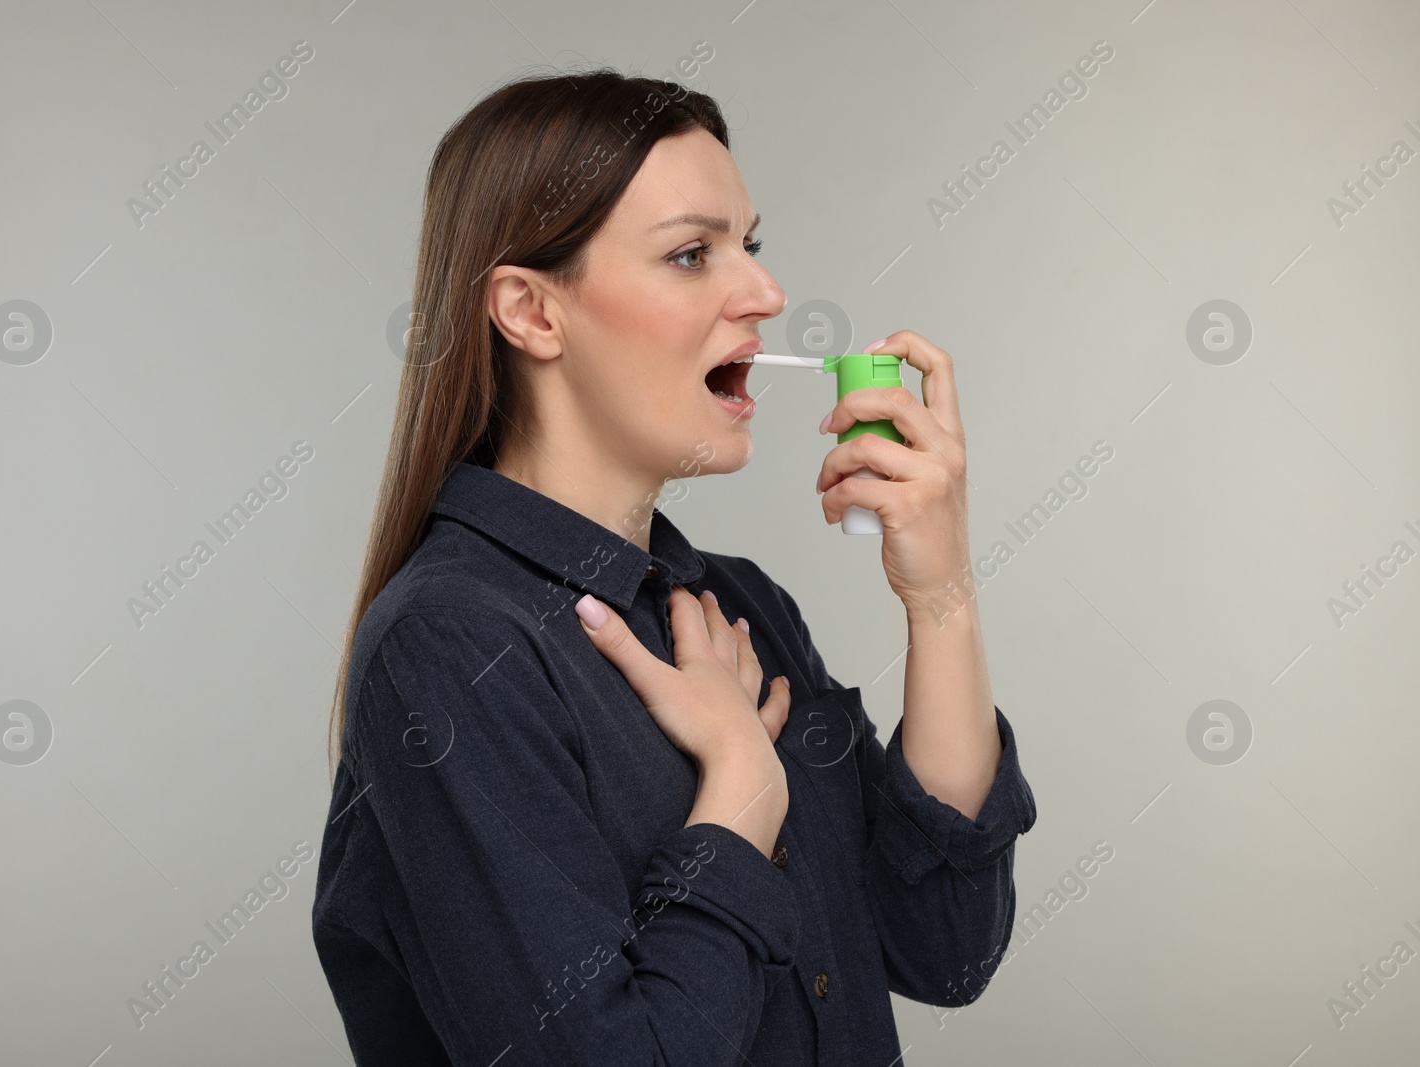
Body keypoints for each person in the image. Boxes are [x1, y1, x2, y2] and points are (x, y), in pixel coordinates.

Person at [311, 66, 1037, 1066]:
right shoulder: (450, 645)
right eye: (693, 253)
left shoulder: (740, 606)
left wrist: (939, 597)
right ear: (530, 311)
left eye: (750, 245)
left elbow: (945, 953)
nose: (767, 293)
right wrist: (741, 780)